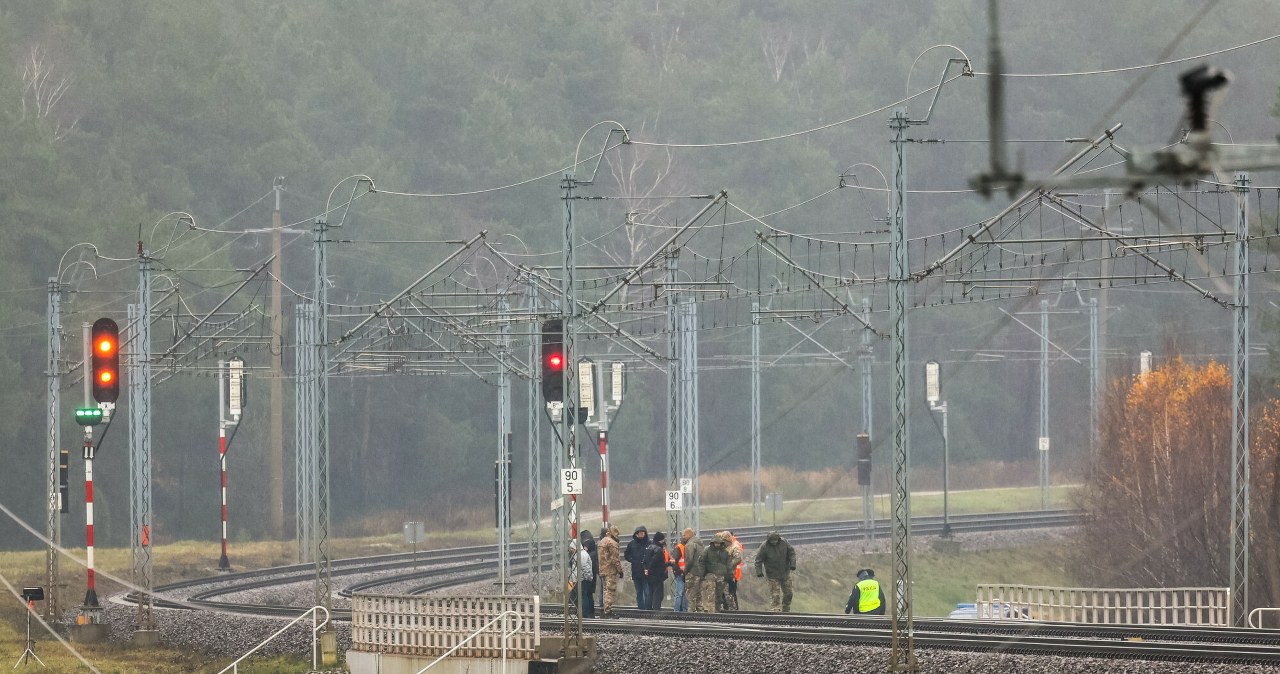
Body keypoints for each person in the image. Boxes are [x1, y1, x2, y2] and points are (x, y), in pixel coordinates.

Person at [754, 530, 797, 612]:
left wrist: (793, 564)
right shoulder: (764, 547)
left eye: (775, 540)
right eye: (772, 541)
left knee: (789, 593)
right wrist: (759, 571)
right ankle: (775, 611)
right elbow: (758, 560)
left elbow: (791, 553)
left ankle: (786, 609)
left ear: (778, 539)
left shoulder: (784, 543)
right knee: (775, 595)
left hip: (785, 573)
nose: (773, 542)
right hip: (772, 575)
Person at [695, 532, 733, 613]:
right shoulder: (707, 550)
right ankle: (711, 613)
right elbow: (701, 562)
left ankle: (717, 611)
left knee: (719, 596)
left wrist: (729, 575)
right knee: (711, 595)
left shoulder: (725, 552)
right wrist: (702, 574)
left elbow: (729, 564)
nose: (717, 545)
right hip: (710, 575)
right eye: (716, 543)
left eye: (719, 543)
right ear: (713, 543)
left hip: (721, 576)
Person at [623, 525, 651, 609]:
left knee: (647, 592)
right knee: (639, 592)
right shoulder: (632, 544)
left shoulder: (649, 543)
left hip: (646, 571)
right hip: (636, 571)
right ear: (636, 534)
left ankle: (647, 608)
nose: (641, 534)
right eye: (640, 533)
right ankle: (641, 608)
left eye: (643, 533)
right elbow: (626, 554)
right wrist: (632, 560)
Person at [598, 526, 623, 616]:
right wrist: (620, 570)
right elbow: (615, 559)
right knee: (610, 590)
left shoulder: (602, 541)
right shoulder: (612, 543)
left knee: (605, 590)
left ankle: (604, 609)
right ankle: (608, 611)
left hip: (603, 569)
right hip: (610, 570)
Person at [568, 540, 595, 618]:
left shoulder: (581, 555)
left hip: (581, 579)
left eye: (572, 548)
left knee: (583, 597)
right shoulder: (579, 554)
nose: (571, 550)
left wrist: (588, 578)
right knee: (581, 596)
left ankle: (584, 614)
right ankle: (582, 613)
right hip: (579, 579)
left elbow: (585, 568)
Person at [680, 528, 705, 612]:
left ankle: (691, 616)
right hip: (701, 573)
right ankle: (701, 616)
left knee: (690, 596)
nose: (682, 537)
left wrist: (685, 572)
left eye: (684, 535)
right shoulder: (701, 545)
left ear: (688, 535)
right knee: (699, 596)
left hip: (692, 573)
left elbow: (689, 560)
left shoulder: (689, 545)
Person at [644, 531, 670, 609]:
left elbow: (644, 560)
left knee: (650, 593)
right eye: (662, 540)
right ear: (659, 540)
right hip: (657, 575)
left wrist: (647, 570)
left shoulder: (648, 547)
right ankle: (656, 609)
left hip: (649, 575)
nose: (663, 541)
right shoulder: (659, 550)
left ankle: (648, 609)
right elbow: (657, 563)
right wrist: (668, 564)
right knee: (658, 593)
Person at [721, 530, 745, 611]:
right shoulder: (722, 547)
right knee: (722, 594)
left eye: (725, 541)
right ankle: (726, 608)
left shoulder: (734, 547)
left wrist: (729, 565)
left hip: (730, 574)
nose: (724, 543)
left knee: (730, 594)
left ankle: (733, 610)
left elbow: (738, 559)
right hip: (721, 574)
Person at [579, 529, 599, 616]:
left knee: (584, 595)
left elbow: (582, 565)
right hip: (592, 575)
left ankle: (586, 614)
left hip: (585, 576)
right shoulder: (594, 548)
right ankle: (591, 614)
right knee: (589, 595)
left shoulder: (584, 553)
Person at [670, 534, 688, 611]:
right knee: (680, 593)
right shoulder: (679, 548)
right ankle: (677, 611)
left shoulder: (684, 547)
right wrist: (680, 571)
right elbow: (674, 562)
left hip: (683, 573)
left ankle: (682, 610)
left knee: (683, 594)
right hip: (680, 573)